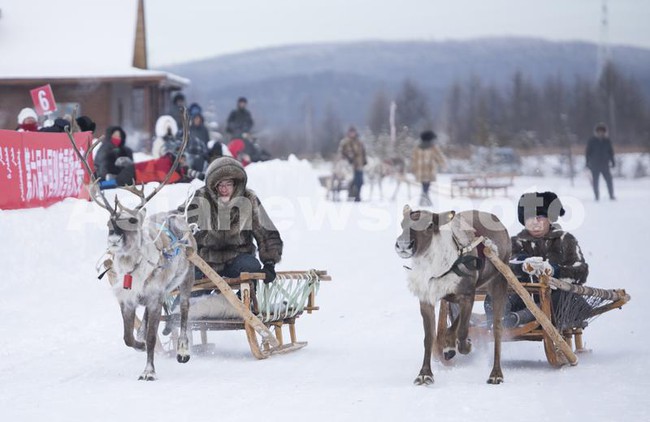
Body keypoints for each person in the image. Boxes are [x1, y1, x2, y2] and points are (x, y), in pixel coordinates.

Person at [491, 191, 589, 328]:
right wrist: (522, 265)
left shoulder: (565, 240)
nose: (535, 223)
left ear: (550, 218)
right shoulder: (516, 242)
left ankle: (519, 318)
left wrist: (555, 271)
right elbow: (505, 265)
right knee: (498, 293)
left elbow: (580, 271)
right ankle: (500, 317)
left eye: (540, 217)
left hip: (558, 302)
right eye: (529, 218)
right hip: (523, 298)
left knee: (560, 299)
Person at [183, 156, 282, 281]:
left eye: (228, 184)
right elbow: (181, 221)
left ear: (236, 184)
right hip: (206, 263)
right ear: (213, 185)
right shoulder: (201, 198)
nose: (224, 189)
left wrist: (269, 263)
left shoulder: (248, 200)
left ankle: (246, 298)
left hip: (237, 259)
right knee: (190, 290)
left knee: (251, 266)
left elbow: (266, 232)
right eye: (220, 185)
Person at [411, 130, 446, 206]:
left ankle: (424, 198)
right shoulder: (433, 147)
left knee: (424, 185)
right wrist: (443, 164)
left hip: (420, 171)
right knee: (427, 185)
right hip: (429, 170)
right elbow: (439, 157)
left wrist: (413, 169)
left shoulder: (417, 147)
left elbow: (414, 159)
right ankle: (425, 198)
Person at [585, 122, 616, 201]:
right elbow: (588, 153)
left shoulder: (607, 141)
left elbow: (611, 152)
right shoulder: (592, 141)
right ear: (596, 132)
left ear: (604, 132)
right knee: (595, 182)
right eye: (599, 131)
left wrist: (613, 162)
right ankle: (596, 196)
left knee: (609, 181)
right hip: (595, 165)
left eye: (602, 131)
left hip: (605, 164)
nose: (601, 133)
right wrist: (587, 163)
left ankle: (611, 195)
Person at [338, 126, 367, 202]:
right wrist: (347, 158)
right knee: (351, 181)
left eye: (353, 132)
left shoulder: (359, 142)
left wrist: (364, 161)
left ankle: (358, 195)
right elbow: (341, 153)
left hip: (359, 164)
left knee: (360, 181)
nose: (352, 134)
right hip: (349, 166)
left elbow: (363, 152)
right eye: (351, 132)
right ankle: (351, 195)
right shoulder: (345, 142)